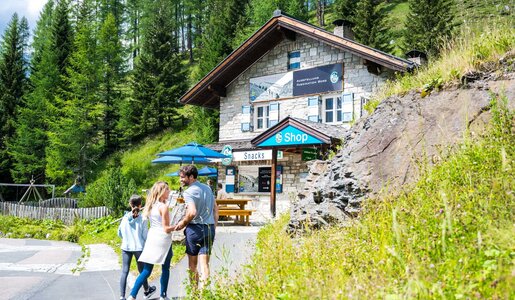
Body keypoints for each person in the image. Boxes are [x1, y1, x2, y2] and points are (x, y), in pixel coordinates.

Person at [127, 182, 175, 300]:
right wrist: (179, 225)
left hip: (152, 238)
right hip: (163, 239)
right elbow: (166, 229)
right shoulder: (163, 207)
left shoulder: (151, 205)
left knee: (146, 270)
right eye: (167, 190)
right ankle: (163, 295)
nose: (169, 191)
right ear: (162, 192)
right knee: (165, 268)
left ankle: (132, 295)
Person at [175, 165, 219, 290]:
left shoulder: (188, 192)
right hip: (209, 228)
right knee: (205, 264)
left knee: (192, 265)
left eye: (183, 177)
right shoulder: (208, 188)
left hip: (195, 230)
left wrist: (183, 223)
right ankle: (205, 294)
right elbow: (216, 209)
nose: (181, 180)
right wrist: (213, 226)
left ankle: (194, 294)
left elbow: (192, 212)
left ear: (191, 177)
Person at [118, 195, 156, 300]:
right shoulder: (143, 218)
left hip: (126, 247)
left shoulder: (125, 218)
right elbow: (145, 236)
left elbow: (119, 233)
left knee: (125, 271)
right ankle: (147, 290)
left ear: (130, 204)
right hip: (139, 248)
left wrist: (126, 239)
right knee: (142, 271)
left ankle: (122, 296)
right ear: (140, 205)